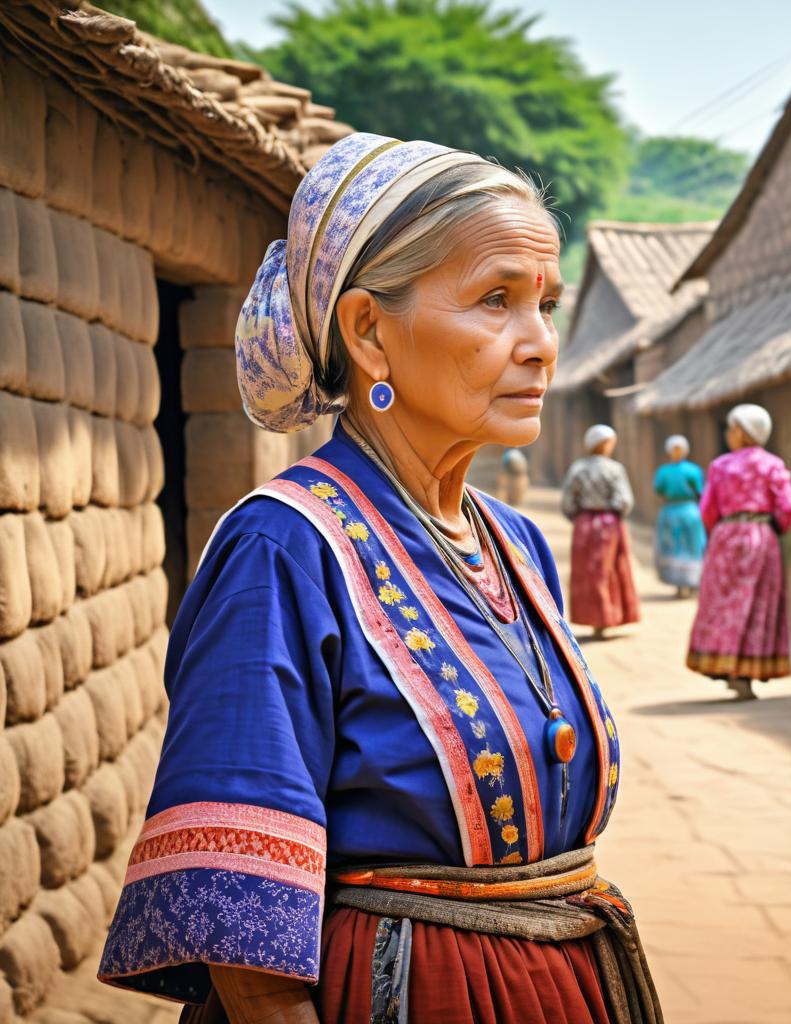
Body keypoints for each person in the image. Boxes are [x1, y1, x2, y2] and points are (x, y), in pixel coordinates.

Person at [96, 133, 661, 1024]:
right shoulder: (284, 551)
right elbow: (245, 940)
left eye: (544, 304)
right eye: (496, 300)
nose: (541, 344)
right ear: (368, 331)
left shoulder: (514, 540)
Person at [687, 404, 791, 700]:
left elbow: (708, 510)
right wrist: (775, 529)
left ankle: (723, 662)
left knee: (724, 604)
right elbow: (787, 506)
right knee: (757, 604)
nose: (729, 435)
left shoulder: (721, 466)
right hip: (762, 538)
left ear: (741, 432)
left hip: (726, 537)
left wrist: (721, 531)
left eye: (732, 429)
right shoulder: (773, 464)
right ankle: (746, 670)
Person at [561, 425, 639, 640]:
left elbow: (568, 502)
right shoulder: (614, 469)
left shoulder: (578, 468)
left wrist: (580, 518)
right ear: (604, 444)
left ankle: (593, 619)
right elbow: (624, 500)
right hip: (609, 523)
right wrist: (612, 514)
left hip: (583, 524)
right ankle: (606, 616)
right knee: (608, 570)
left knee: (587, 572)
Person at [653, 435, 706, 598]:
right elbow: (700, 491)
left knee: (685, 546)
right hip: (686, 511)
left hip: (677, 511)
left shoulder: (665, 471)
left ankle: (689, 582)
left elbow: (658, 491)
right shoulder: (692, 470)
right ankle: (682, 583)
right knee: (682, 546)